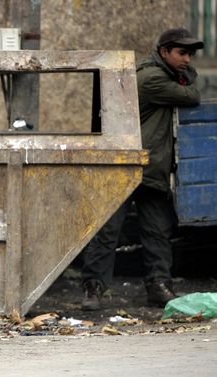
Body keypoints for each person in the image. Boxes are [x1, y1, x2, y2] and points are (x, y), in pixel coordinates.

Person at [81, 28, 204, 310]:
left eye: (190, 54)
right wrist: (189, 79)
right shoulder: (152, 78)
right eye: (181, 53)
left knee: (157, 232)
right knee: (108, 232)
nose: (187, 59)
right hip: (127, 167)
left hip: (151, 167)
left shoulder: (165, 74)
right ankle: (93, 290)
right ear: (164, 53)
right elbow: (192, 96)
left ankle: (159, 287)